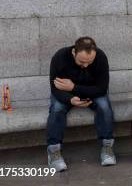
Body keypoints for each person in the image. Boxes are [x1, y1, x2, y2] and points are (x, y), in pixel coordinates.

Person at [46, 37, 116, 171]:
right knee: (57, 108)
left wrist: (74, 88)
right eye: (82, 62)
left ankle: (107, 147)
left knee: (104, 106)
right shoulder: (60, 57)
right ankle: (53, 151)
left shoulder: (100, 57)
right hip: (66, 94)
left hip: (91, 92)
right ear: (74, 52)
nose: (86, 65)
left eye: (90, 62)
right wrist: (70, 99)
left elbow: (102, 88)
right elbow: (55, 88)